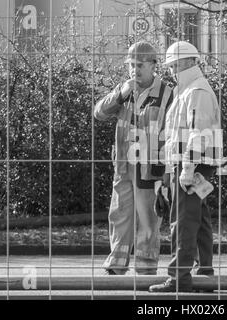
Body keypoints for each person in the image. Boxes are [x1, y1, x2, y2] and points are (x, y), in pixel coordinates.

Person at [94, 41, 173, 275]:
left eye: (139, 65)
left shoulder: (167, 94)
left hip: (150, 168)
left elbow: (175, 133)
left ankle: (146, 266)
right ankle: (117, 263)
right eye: (131, 65)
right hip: (124, 165)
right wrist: (120, 93)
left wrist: (168, 174)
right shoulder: (125, 90)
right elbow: (99, 113)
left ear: (153, 65)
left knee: (148, 219)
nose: (134, 70)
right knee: (119, 213)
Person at [149, 41, 222, 292]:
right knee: (198, 217)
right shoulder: (188, 89)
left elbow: (197, 133)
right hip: (192, 162)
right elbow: (176, 136)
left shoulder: (196, 91)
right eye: (171, 65)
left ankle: (179, 279)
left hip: (194, 162)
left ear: (190, 62)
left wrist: (187, 169)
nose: (172, 70)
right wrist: (172, 171)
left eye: (175, 64)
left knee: (182, 220)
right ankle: (205, 273)